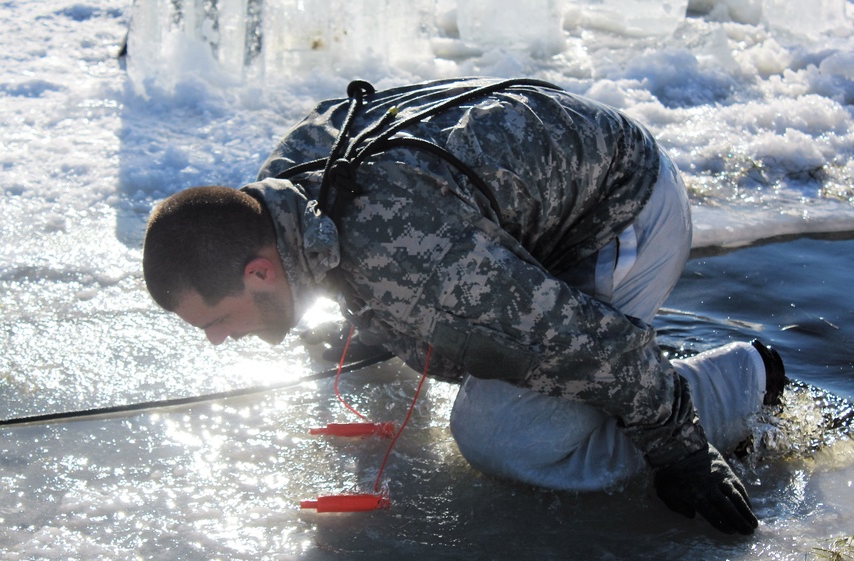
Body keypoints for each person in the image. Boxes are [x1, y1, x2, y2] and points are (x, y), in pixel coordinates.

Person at [142, 77, 785, 535]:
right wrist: (374, 316)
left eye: (219, 321)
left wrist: (679, 449)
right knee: (435, 319)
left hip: (626, 211)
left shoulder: (412, 263)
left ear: (259, 272)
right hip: (544, 186)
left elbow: (596, 345)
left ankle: (744, 375)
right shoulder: (286, 185)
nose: (217, 341)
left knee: (501, 438)